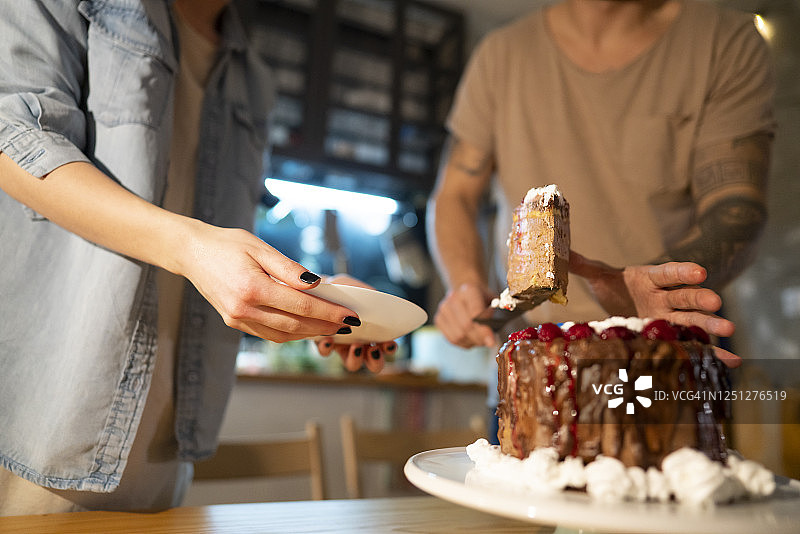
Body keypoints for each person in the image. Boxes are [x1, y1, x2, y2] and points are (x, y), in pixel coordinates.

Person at [0, 0, 391, 515]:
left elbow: (221, 231)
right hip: (35, 435)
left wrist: (314, 295)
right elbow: (12, 141)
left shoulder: (252, 77)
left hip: (164, 458)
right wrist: (190, 247)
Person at [427, 0, 774, 435]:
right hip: (536, 354)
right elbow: (455, 194)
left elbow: (736, 209)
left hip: (665, 351)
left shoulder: (724, 41)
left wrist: (658, 285)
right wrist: (465, 282)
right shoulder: (501, 55)